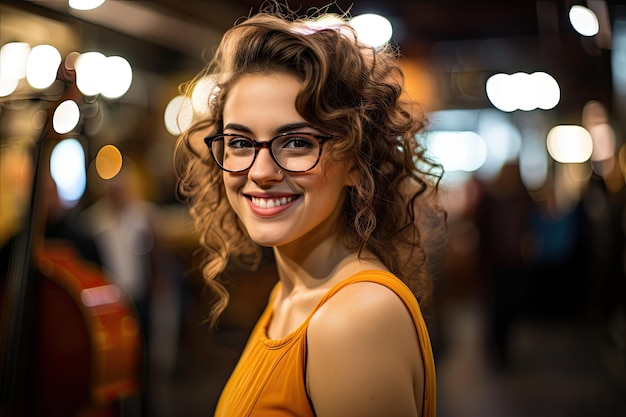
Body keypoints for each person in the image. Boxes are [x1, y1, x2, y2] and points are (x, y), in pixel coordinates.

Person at [174, 2, 446, 416]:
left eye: (297, 142)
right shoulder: (291, 293)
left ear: (356, 162)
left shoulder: (355, 318)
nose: (261, 172)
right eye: (241, 142)